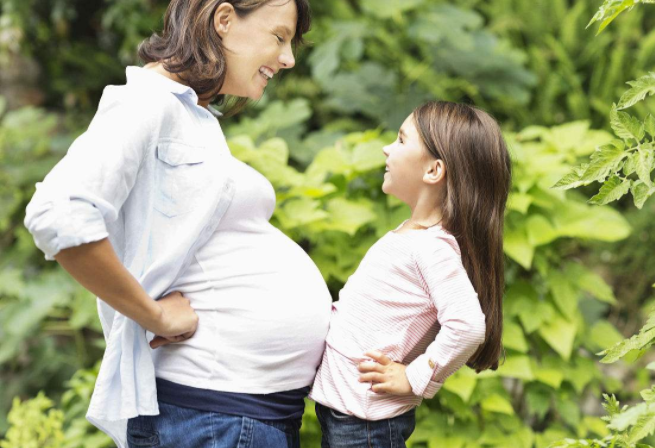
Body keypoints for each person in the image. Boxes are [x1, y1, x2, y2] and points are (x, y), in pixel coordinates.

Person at [24, 1, 331, 447]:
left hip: (234, 414)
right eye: (279, 37)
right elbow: (59, 213)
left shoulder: (189, 114)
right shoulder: (150, 102)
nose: (288, 59)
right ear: (223, 20)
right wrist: (155, 315)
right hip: (210, 413)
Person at [309, 101, 511, 448]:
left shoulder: (431, 248)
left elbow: (468, 325)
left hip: (365, 427)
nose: (387, 148)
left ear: (434, 171)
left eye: (401, 140)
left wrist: (414, 377)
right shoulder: (413, 235)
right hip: (350, 417)